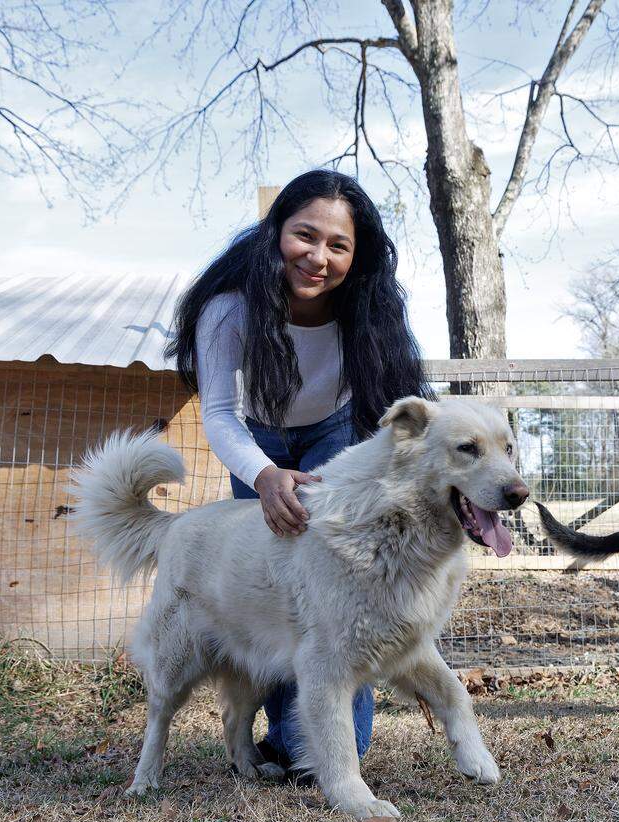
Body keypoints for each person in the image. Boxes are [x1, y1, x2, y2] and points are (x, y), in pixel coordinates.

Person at [164, 169, 431, 778]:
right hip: (254, 437)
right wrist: (262, 476)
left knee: (339, 584)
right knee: (281, 578)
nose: (318, 257)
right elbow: (222, 413)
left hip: (333, 433)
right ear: (275, 232)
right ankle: (293, 735)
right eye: (304, 236)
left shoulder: (367, 308)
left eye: (339, 246)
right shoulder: (229, 310)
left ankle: (314, 748)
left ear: (357, 258)